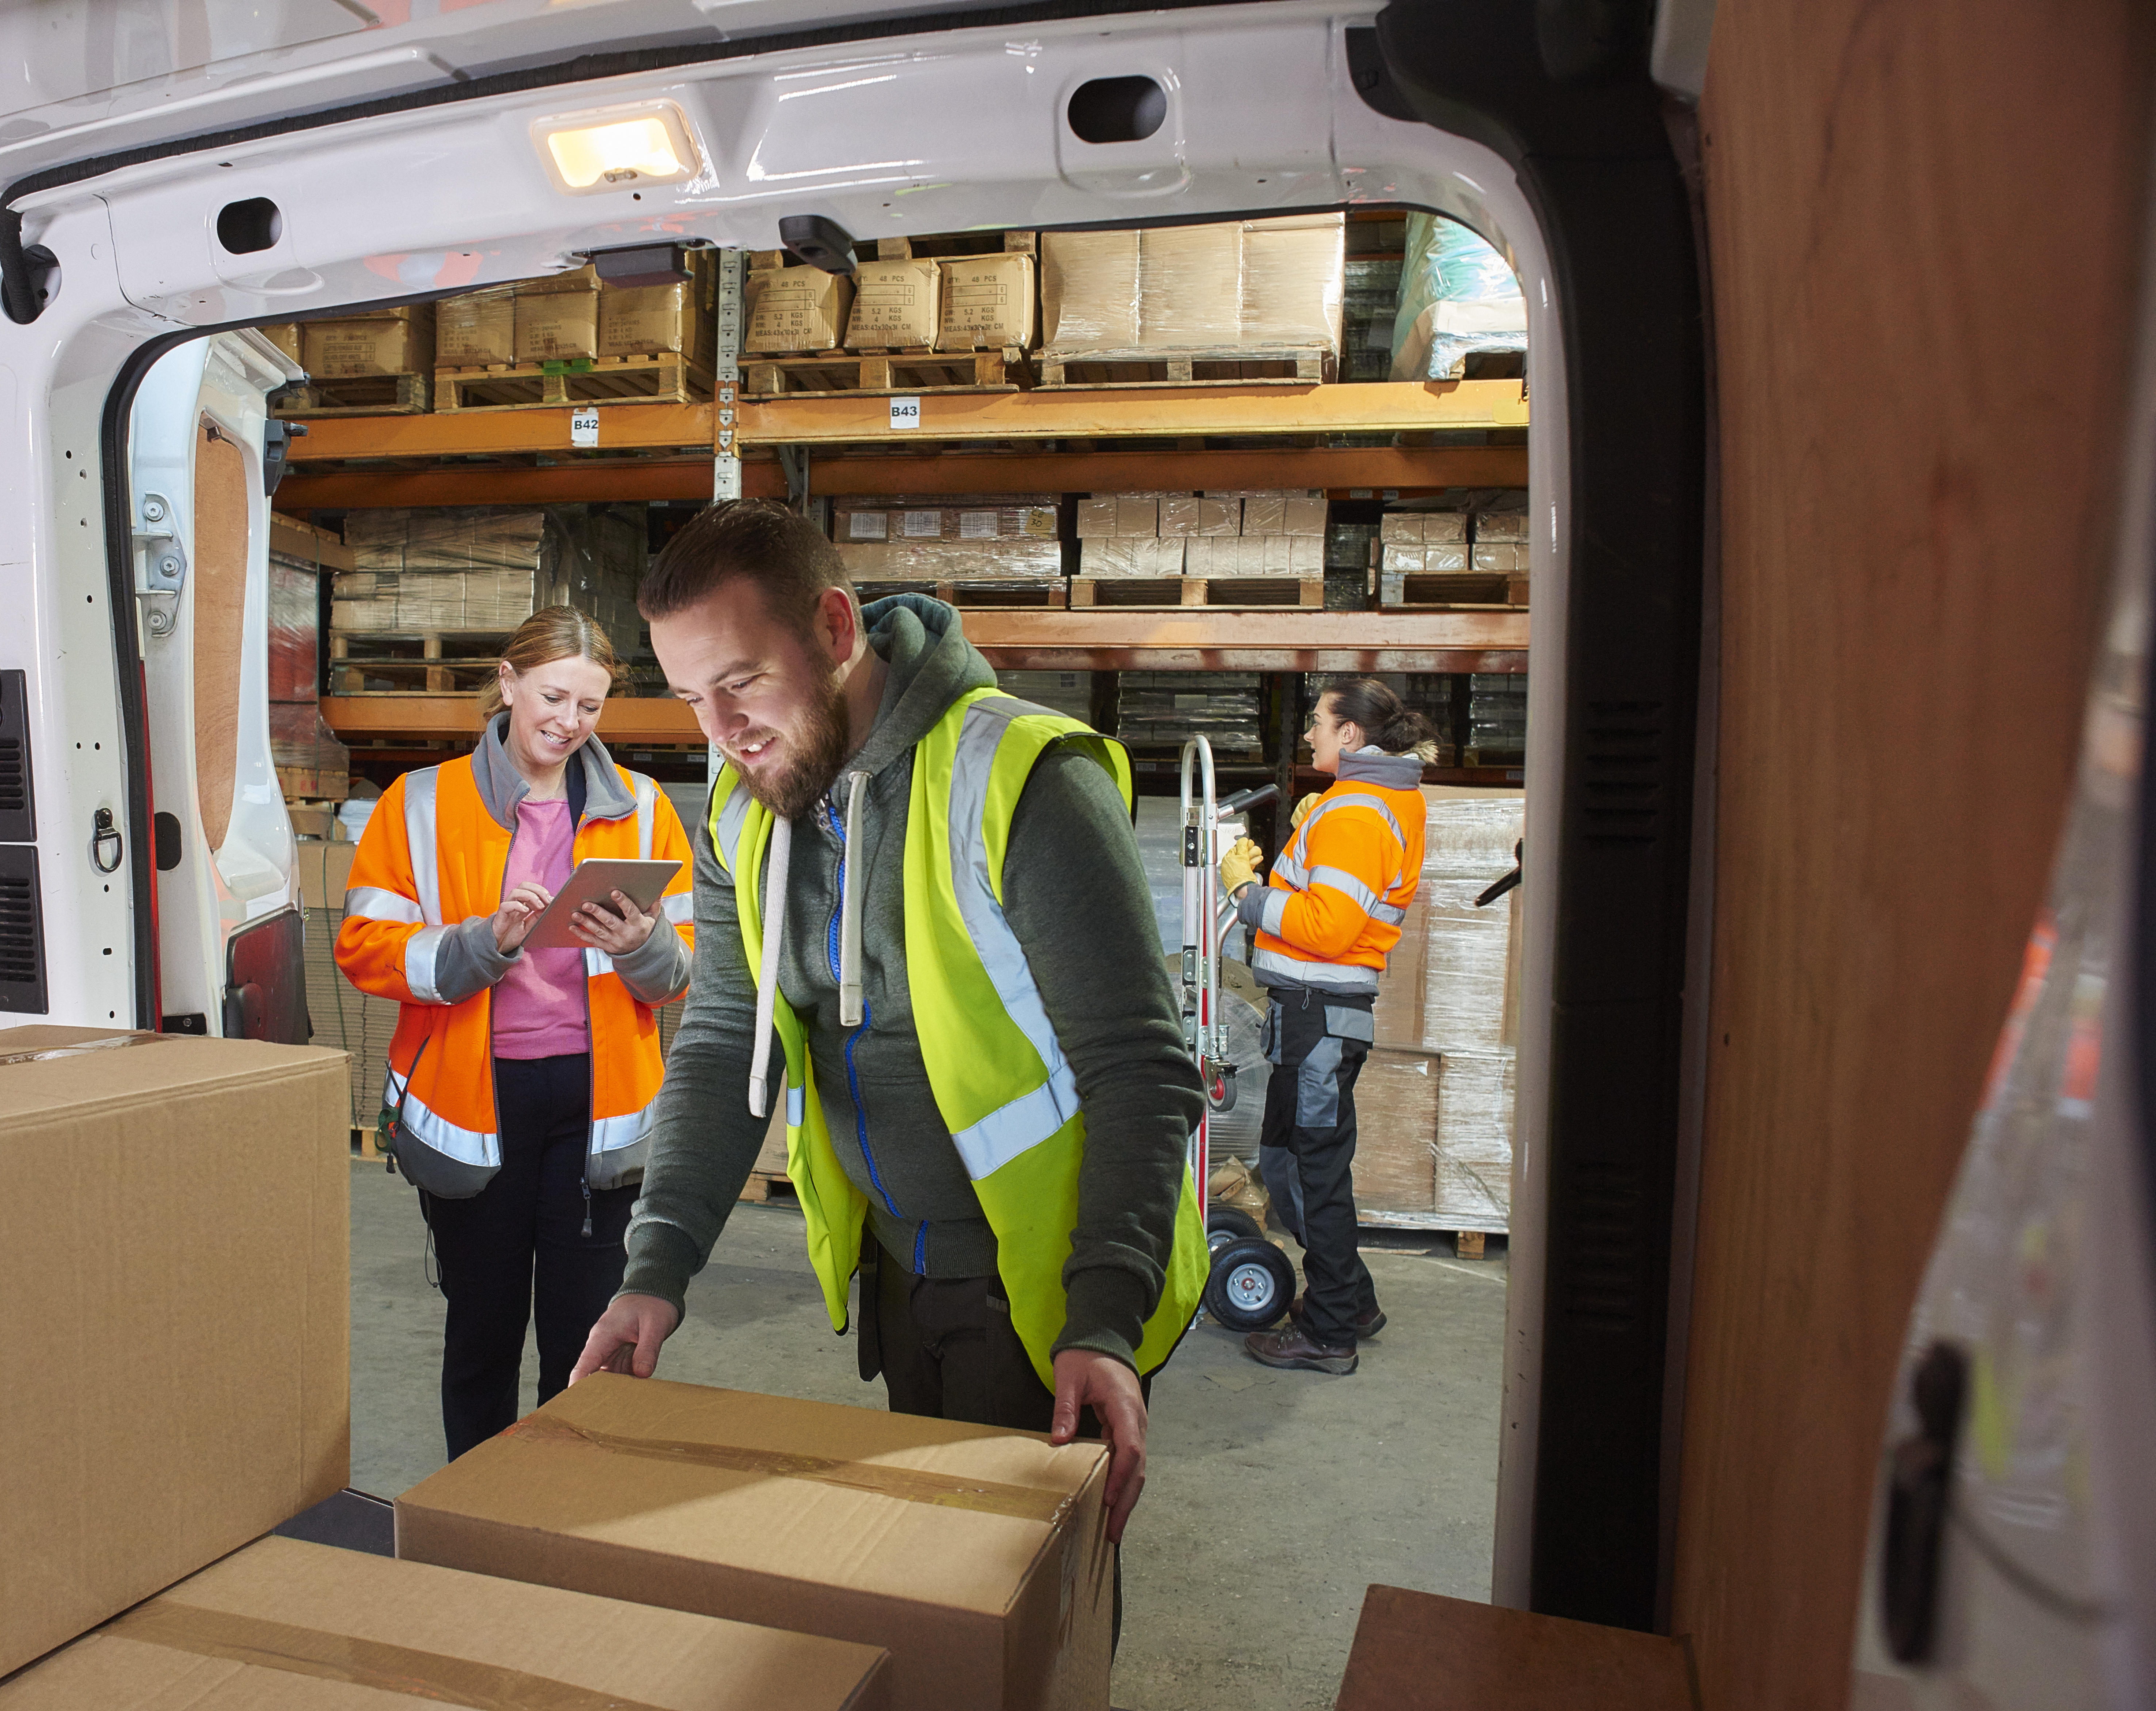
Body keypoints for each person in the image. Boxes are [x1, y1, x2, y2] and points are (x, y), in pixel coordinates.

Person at [567, 500, 1207, 1547]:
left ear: (831, 629)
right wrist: (658, 1268)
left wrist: (1103, 1316)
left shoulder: (1024, 777)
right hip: (899, 1280)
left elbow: (1139, 1069)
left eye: (739, 684)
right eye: (690, 699)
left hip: (1045, 1289)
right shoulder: (746, 806)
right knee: (931, 1580)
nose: (720, 736)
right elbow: (728, 1039)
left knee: (1033, 1615)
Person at [336, 605, 696, 1458]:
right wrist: (479, 942)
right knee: (482, 1336)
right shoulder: (418, 803)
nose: (569, 722)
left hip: (598, 1114)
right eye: (552, 696)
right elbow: (365, 947)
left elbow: (680, 970)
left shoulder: (642, 810)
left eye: (590, 707)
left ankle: (564, 1513)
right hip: (474, 1109)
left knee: (586, 1343)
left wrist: (640, 944)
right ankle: (476, 1504)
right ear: (506, 682)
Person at [1218, 676, 1439, 1377]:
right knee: (1287, 1163)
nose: (1310, 732)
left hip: (1318, 1017)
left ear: (1352, 735)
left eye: (1319, 722)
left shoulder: (1358, 812)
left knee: (1313, 1174)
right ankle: (1353, 1300)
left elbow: (1328, 926)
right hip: (1313, 1018)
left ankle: (1331, 1332)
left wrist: (1244, 893)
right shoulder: (1368, 801)